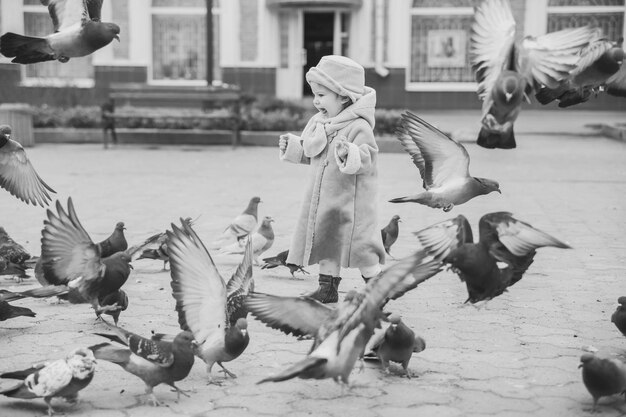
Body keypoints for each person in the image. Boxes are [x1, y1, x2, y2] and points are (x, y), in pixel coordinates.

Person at [278, 55, 385, 304]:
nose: (316, 101)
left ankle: (378, 288)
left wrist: (352, 153)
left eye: (322, 95)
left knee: (361, 249)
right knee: (325, 241)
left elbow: (368, 158)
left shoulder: (358, 127)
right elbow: (313, 154)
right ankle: (327, 289)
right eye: (314, 94)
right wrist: (294, 147)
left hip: (351, 204)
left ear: (344, 96)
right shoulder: (320, 124)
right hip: (323, 200)